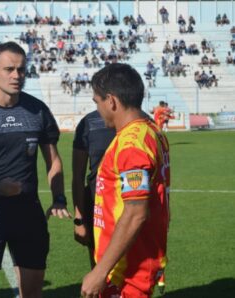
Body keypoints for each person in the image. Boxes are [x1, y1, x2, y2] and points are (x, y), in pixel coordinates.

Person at [0, 41, 71, 298]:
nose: (16, 76)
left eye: (21, 70)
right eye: (9, 69)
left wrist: (58, 197)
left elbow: (53, 160)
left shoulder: (38, 111)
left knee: (32, 292)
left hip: (28, 212)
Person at [81, 63, 170, 297]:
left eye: (97, 102)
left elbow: (135, 213)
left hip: (127, 271)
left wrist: (100, 272)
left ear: (111, 101)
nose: (98, 109)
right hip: (128, 263)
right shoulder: (149, 130)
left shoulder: (132, 144)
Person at [72, 111, 115, 267]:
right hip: (97, 210)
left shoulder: (142, 121)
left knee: (132, 273)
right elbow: (78, 176)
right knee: (99, 271)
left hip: (131, 208)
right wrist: (79, 220)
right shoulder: (89, 122)